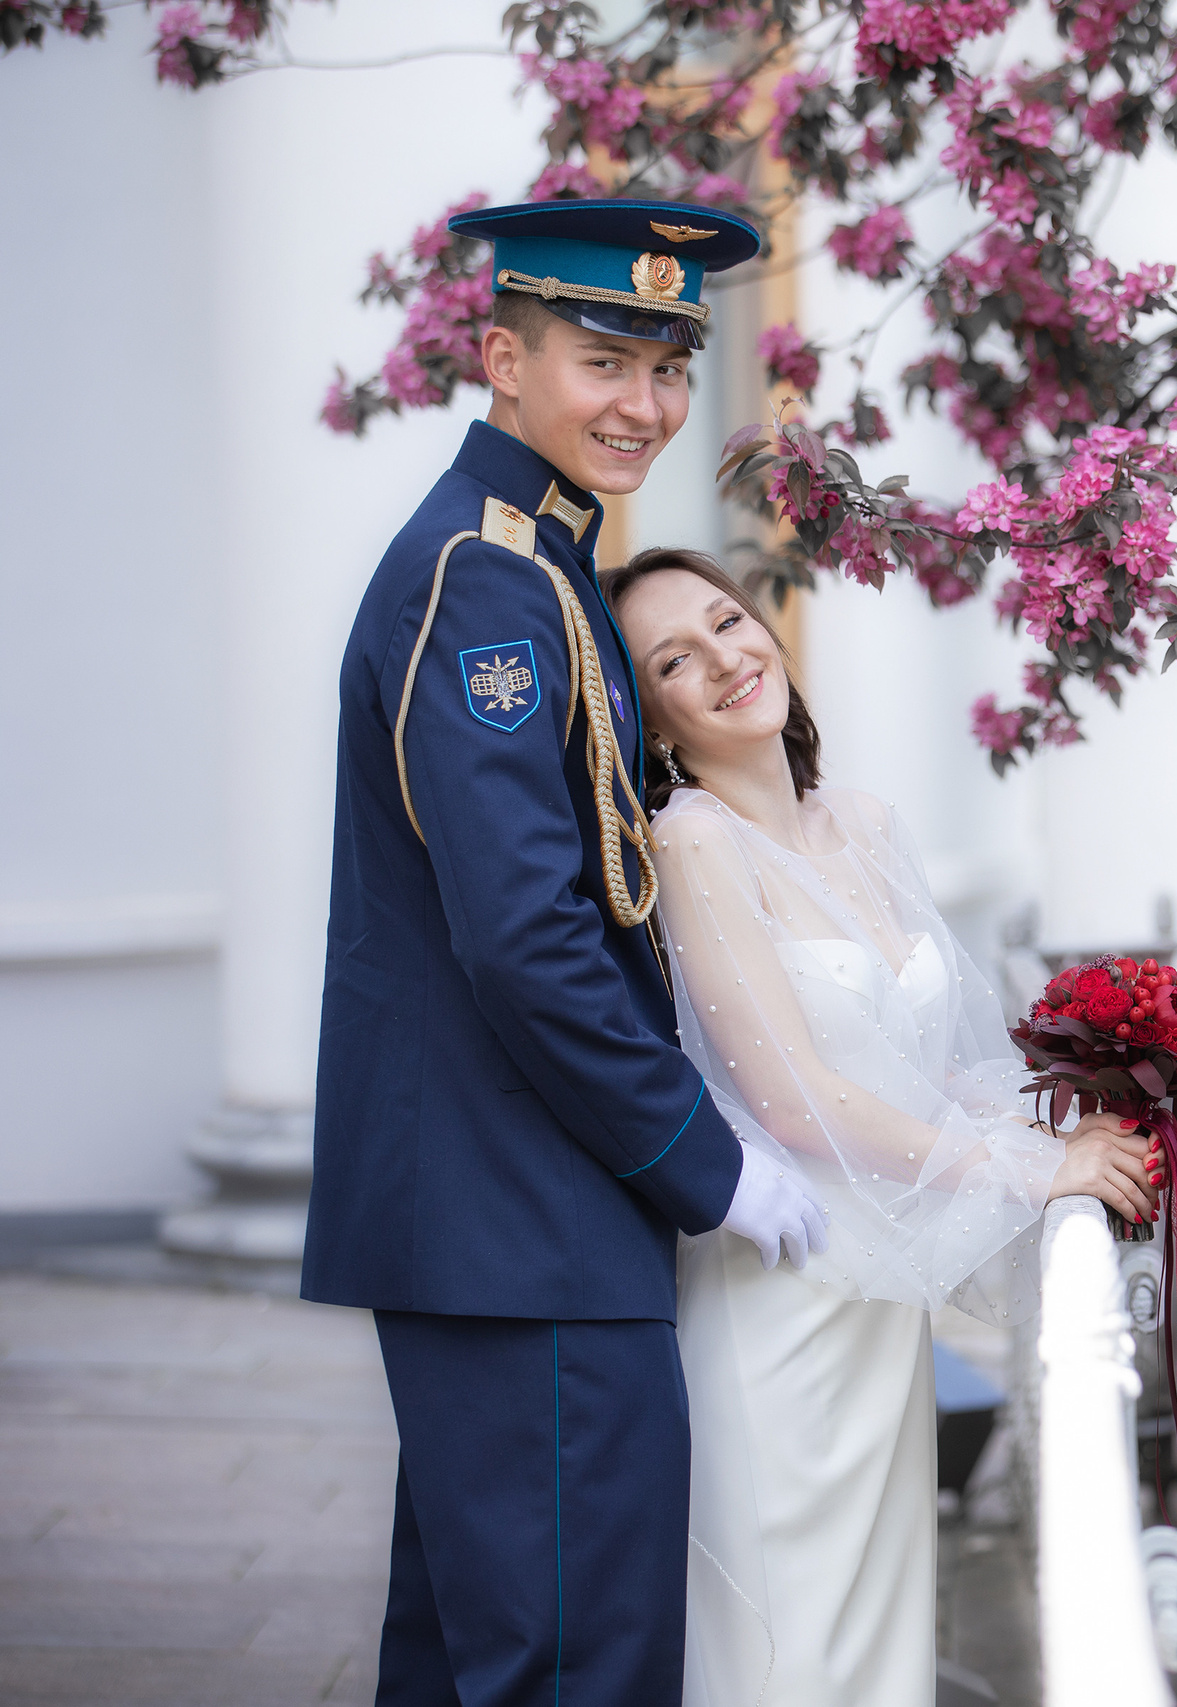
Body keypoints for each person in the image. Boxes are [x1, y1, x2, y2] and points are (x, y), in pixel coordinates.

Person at [303, 200, 834, 1707]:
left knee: (481, 1655)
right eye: (606, 362)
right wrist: (703, 1157)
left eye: (670, 369)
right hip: (523, 1214)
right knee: (571, 1668)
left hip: (510, 1214)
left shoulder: (536, 564)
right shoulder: (487, 579)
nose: (647, 407)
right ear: (501, 357)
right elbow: (529, 935)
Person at [600, 547, 1163, 1705]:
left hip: (878, 1311)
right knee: (790, 1645)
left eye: (727, 622)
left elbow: (942, 1066)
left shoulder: (861, 820)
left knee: (881, 1631)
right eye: (675, 660)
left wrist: (1093, 1105)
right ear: (650, 718)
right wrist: (1030, 1169)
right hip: (787, 1302)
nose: (722, 660)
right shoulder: (693, 840)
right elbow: (795, 1099)